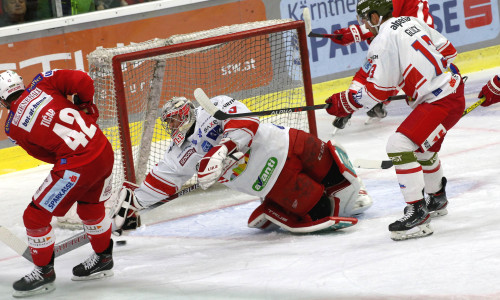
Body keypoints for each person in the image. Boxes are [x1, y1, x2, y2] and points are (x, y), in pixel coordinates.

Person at [112, 95, 373, 235]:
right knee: (319, 209)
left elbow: (247, 123)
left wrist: (220, 152)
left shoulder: (213, 107)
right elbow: (160, 182)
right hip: (271, 180)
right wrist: (133, 204)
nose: (170, 128)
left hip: (286, 143)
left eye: (172, 121)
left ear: (184, 114)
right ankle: (274, 206)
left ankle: (353, 185)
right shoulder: (178, 154)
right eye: (167, 124)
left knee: (330, 170)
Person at [324, 0, 465, 241]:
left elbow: (378, 92)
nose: (365, 25)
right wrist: (422, 77)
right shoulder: (413, 21)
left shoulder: (382, 40)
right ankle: (437, 198)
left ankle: (417, 211)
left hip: (439, 102)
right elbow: (449, 52)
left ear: (377, 17)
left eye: (366, 19)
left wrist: (345, 102)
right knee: (421, 147)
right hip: (452, 89)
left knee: (398, 145)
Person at [0, 69, 115, 297]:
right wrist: (85, 106)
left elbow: (42, 154)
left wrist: (68, 158)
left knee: (34, 217)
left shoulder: (11, 127)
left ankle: (44, 273)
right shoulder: (44, 81)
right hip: (102, 149)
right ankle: (103, 258)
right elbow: (84, 81)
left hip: (77, 166)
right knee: (90, 207)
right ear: (21, 84)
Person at [331, 0, 435, 130]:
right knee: (378, 66)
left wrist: (358, 32)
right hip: (405, 28)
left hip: (413, 30)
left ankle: (364, 104)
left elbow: (385, 17)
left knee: (387, 69)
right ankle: (372, 103)